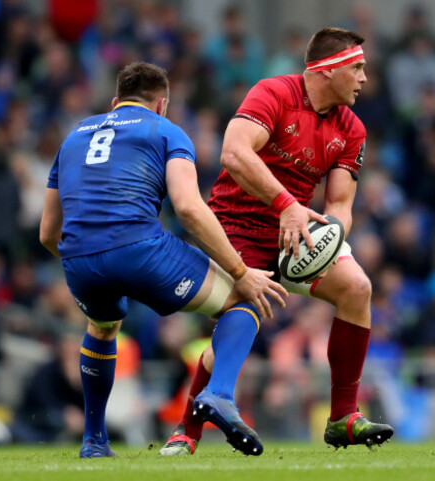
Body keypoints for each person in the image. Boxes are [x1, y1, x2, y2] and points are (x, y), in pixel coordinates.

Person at [160, 27, 394, 456]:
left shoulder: (352, 128)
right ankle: (187, 431)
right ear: (328, 69)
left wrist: (330, 237)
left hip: (295, 236)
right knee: (247, 304)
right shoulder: (274, 93)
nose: (364, 78)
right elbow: (234, 153)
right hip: (237, 225)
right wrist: (287, 203)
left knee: (358, 288)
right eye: (357, 68)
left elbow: (340, 202)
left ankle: (342, 416)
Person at [39, 61, 288, 458]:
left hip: (78, 258)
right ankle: (220, 393)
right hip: (139, 247)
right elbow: (188, 209)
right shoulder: (166, 131)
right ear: (161, 105)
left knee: (103, 327)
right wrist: (241, 271)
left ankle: (94, 441)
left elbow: (48, 232)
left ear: (115, 102)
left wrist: (88, 261)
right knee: (244, 297)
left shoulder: (72, 138)